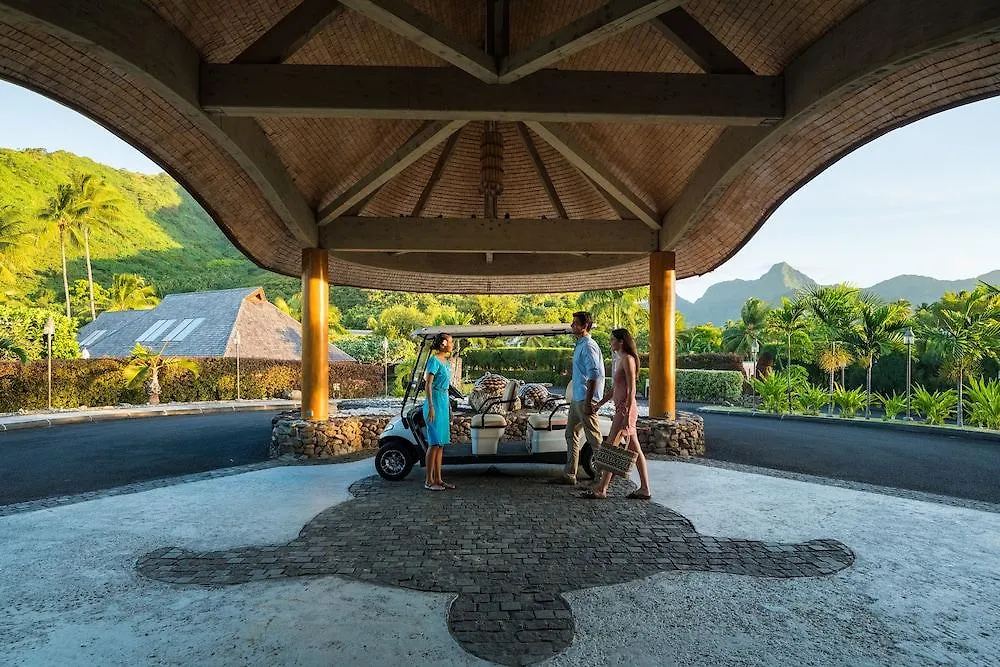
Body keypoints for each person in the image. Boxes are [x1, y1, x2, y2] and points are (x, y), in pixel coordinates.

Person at [580, 328, 652, 500]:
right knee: (634, 448)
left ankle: (602, 489)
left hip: (625, 410)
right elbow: (615, 389)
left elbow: (632, 388)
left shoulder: (627, 360)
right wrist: (600, 404)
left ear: (621, 341)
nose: (610, 343)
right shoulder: (621, 360)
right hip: (621, 409)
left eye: (612, 340)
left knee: (611, 448)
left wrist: (626, 413)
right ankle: (644, 489)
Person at [550, 311, 605, 486]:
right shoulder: (580, 344)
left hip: (585, 400)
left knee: (594, 439)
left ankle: (602, 477)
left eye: (575, 323)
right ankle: (569, 474)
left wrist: (589, 402)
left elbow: (594, 375)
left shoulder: (589, 346)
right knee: (571, 433)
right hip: (578, 398)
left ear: (585, 326)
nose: (572, 326)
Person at [422, 332, 455, 491]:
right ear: (443, 343)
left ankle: (439, 479)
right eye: (450, 342)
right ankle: (429, 481)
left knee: (440, 444)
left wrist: (448, 407)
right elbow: (428, 385)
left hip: (443, 401)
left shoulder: (447, 362)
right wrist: (431, 407)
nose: (452, 344)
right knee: (433, 442)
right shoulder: (433, 360)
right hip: (433, 402)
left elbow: (447, 386)